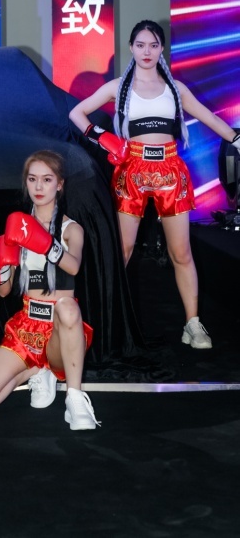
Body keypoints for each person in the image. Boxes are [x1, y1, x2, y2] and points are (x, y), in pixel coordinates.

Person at [69, 18, 240, 350]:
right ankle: (105, 321)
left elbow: (209, 117)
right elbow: (77, 113)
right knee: (123, 250)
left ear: (161, 48)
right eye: (140, 45)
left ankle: (192, 324)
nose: (146, 51)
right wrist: (101, 137)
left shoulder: (176, 88)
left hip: (170, 170)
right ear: (131, 48)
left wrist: (236, 140)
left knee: (181, 252)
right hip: (131, 170)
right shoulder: (118, 86)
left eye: (153, 45)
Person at [0, 150, 99, 431]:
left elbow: (73, 266)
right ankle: (36, 369)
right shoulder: (16, 230)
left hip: (61, 333)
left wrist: (44, 242)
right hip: (26, 329)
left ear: (59, 184)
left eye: (47, 179)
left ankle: (74, 398)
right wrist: (0, 268)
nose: (39, 186)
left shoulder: (71, 229)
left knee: (68, 307)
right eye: (32, 179)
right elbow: (4, 292)